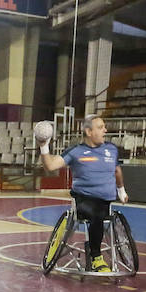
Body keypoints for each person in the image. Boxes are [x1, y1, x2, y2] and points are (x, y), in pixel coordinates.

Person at [37, 115, 128, 271]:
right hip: (83, 200)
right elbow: (50, 166)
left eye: (104, 127)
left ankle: (97, 251)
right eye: (100, 127)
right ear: (89, 131)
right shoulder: (75, 151)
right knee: (96, 214)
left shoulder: (111, 149)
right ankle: (96, 257)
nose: (105, 130)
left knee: (100, 211)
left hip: (106, 201)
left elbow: (117, 171)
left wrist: (121, 191)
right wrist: (44, 147)